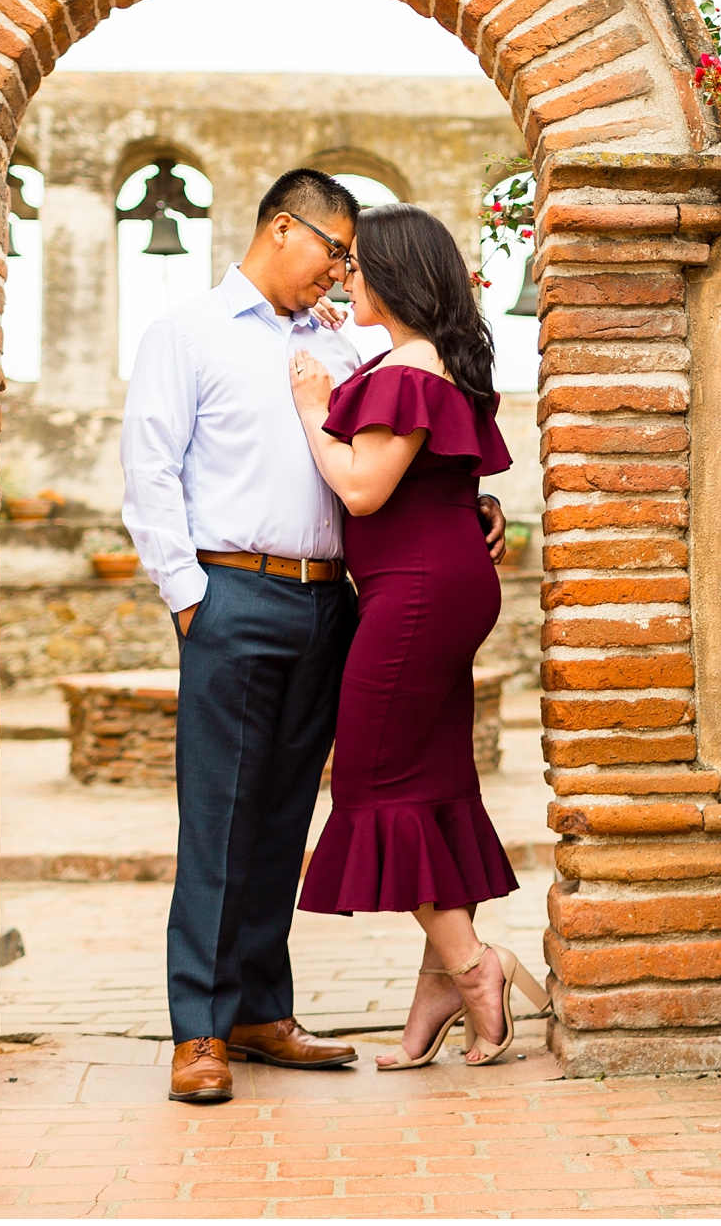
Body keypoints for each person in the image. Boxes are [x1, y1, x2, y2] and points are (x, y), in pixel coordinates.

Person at [121, 169, 508, 1104]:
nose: (342, 274)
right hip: (232, 591)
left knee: (286, 811)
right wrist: (189, 598)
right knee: (219, 816)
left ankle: (262, 1009)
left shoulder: (339, 345)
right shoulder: (188, 332)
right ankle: (202, 1028)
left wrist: (468, 506)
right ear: (283, 228)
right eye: (334, 251)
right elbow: (149, 470)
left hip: (333, 603)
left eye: (352, 260)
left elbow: (397, 456)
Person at [287, 203, 549, 1069]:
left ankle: (477, 968)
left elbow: (362, 489)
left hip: (416, 593)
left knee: (371, 778)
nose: (344, 277)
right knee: (430, 777)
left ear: (395, 274)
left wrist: (310, 405)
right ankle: (442, 981)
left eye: (358, 266)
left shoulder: (406, 369)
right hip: (438, 583)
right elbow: (440, 480)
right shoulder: (418, 361)